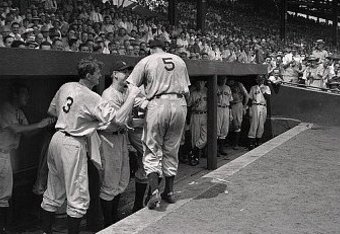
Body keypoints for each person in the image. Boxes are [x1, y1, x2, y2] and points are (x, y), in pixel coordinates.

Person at [40, 57, 140, 234]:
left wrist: (78, 117)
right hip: (73, 142)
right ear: (88, 75)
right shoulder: (91, 96)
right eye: (97, 73)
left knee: (53, 194)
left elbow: (52, 111)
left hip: (57, 139)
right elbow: (116, 120)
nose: (100, 75)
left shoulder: (66, 86)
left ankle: (45, 231)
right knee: (78, 198)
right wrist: (132, 96)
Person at [127, 39, 191, 209]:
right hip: (179, 103)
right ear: (165, 48)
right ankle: (169, 191)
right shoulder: (179, 60)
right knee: (171, 149)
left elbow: (131, 87)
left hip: (157, 102)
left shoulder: (147, 60)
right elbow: (187, 92)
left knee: (151, 150)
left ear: (151, 48)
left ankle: (154, 190)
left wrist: (141, 103)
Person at [0, 83, 55, 233]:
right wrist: (39, 125)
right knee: (3, 195)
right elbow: (16, 129)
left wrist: (44, 125)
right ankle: (3, 228)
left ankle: (5, 226)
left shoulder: (18, 111)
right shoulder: (6, 108)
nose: (28, 97)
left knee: (5, 194)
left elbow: (27, 133)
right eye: (24, 93)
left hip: (8, 154)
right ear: (15, 94)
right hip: (1, 153)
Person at [98, 61, 135, 227]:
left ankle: (114, 218)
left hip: (121, 138)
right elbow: (118, 121)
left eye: (128, 71)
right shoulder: (109, 94)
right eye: (123, 71)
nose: (127, 74)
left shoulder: (124, 92)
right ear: (114, 74)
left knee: (122, 180)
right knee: (109, 183)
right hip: (109, 139)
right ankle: (108, 223)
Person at [248, 75, 271, 150]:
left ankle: (258, 142)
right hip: (255, 106)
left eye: (262, 79)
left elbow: (268, 97)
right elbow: (250, 99)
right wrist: (250, 108)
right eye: (259, 79)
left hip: (263, 106)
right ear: (257, 80)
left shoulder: (267, 87)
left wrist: (263, 89)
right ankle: (251, 143)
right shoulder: (253, 87)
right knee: (254, 124)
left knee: (261, 125)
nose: (261, 81)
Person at [188, 80, 207, 166]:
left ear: (204, 83)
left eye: (202, 83)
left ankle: (192, 151)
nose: (200, 84)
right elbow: (188, 106)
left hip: (204, 114)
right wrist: (194, 104)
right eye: (198, 83)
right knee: (195, 137)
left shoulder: (207, 92)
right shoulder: (193, 93)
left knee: (204, 137)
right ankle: (195, 158)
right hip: (195, 114)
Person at [229, 79, 249, 150]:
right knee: (228, 124)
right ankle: (228, 143)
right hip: (227, 105)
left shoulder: (239, 84)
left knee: (237, 125)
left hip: (237, 104)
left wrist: (244, 106)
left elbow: (247, 95)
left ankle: (236, 143)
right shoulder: (226, 83)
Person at [216, 76, 233, 157]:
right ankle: (215, 150)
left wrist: (230, 113)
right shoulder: (215, 86)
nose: (223, 80)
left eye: (224, 79)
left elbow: (230, 100)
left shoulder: (227, 88)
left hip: (226, 108)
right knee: (217, 128)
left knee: (224, 129)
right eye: (222, 79)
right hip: (218, 108)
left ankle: (221, 149)